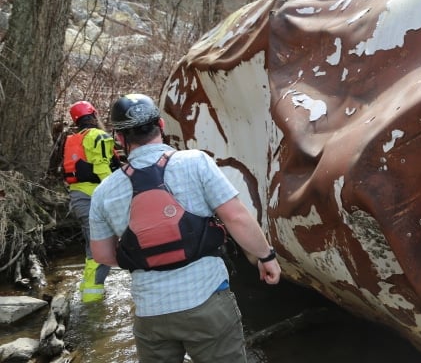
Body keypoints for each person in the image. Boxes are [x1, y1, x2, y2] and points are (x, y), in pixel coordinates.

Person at [89, 93, 281, 363]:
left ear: (119, 138)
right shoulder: (195, 162)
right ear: (161, 126)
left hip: (150, 312)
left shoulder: (103, 192)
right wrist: (266, 255)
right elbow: (236, 217)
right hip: (207, 299)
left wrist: (151, 255)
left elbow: (102, 255)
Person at [62, 100, 118, 303]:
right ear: (94, 115)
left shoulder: (72, 139)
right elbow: (103, 169)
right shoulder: (98, 136)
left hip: (78, 198)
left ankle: (87, 289)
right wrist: (116, 194)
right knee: (101, 249)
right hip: (95, 198)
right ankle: (92, 301)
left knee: (92, 246)